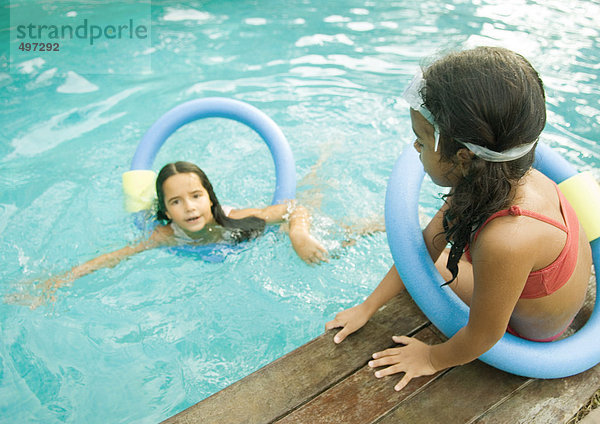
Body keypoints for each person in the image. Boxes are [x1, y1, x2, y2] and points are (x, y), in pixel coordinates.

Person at [325, 46, 592, 392]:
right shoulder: (493, 178)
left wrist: (431, 359)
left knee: (433, 273)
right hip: (527, 274)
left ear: (463, 157)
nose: (415, 148)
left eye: (421, 141)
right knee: (432, 260)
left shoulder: (506, 239)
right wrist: (368, 306)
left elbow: (484, 334)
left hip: (531, 330)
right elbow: (425, 244)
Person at [17, 161, 328, 306]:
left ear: (210, 197)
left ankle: (322, 163)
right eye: (176, 202)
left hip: (263, 237)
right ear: (165, 211)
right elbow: (115, 257)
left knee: (335, 223)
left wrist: (298, 236)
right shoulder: (166, 235)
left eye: (195, 196)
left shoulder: (234, 216)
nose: (189, 208)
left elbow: (294, 209)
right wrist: (57, 281)